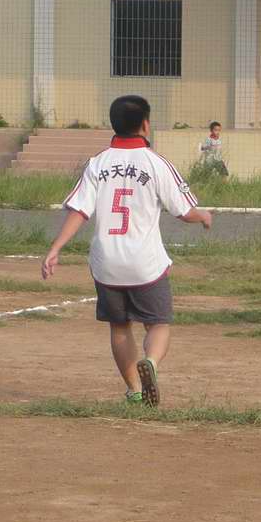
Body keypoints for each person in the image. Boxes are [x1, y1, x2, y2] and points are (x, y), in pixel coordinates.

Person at [41, 95, 212, 406]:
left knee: (120, 328)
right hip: (145, 264)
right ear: (145, 124)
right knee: (158, 324)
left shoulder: (98, 163)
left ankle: (134, 390)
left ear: (114, 124)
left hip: (106, 263)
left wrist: (56, 248)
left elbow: (80, 210)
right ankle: (152, 363)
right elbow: (183, 211)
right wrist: (203, 216)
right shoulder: (156, 163)